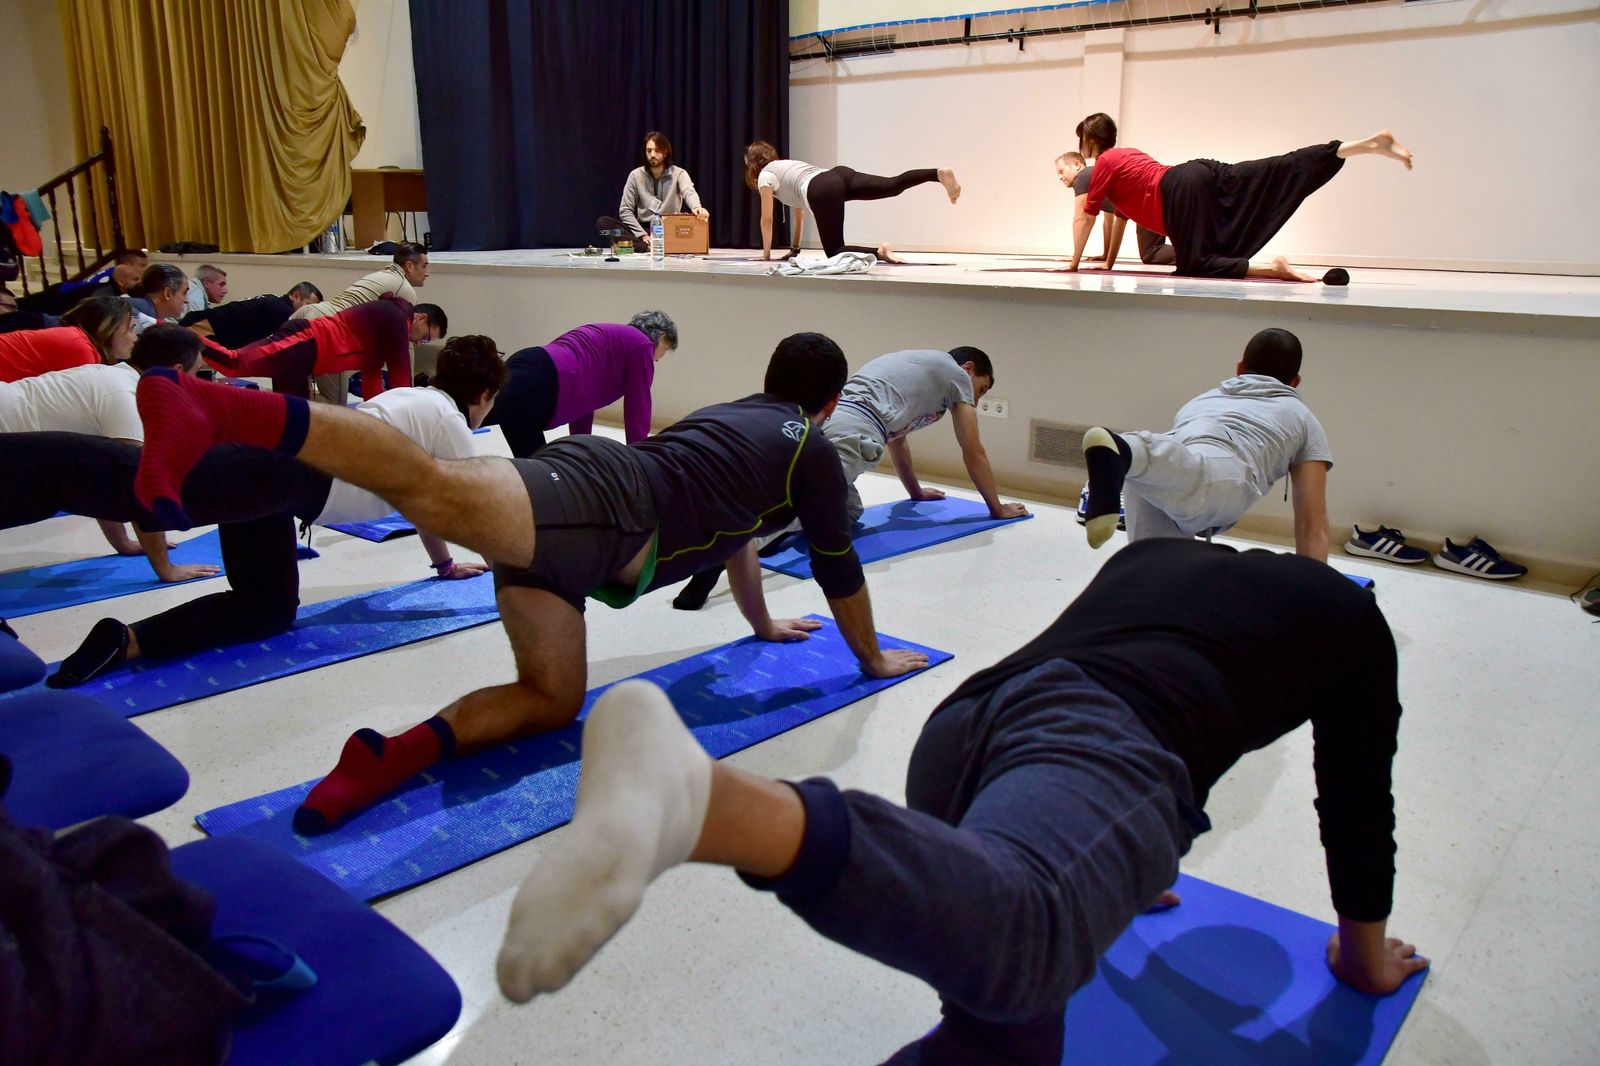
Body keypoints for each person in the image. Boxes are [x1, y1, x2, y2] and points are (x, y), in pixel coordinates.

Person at [492, 537, 1426, 1065]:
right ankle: (706, 801)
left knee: (999, 1045)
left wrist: (1125, 870)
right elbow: (1355, 800)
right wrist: (1362, 959)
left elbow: (1154, 690)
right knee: (1032, 942)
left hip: (966, 732)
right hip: (1093, 743)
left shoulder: (1161, 558)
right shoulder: (1352, 622)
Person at [128, 332, 928, 833]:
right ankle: (214, 407)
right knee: (429, 483)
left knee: (551, 699)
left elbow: (740, 534)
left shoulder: (738, 415)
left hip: (585, 537)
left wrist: (759, 626)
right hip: (603, 506)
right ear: (830, 404)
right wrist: (870, 659)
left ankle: (387, 757)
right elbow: (838, 565)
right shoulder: (810, 450)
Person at [1, 336, 507, 689]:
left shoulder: (415, 399)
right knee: (131, 482)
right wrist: (521, 584)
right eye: (491, 401)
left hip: (281, 491)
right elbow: (477, 513)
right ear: (483, 395)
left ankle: (127, 640)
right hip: (282, 470)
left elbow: (429, 503)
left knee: (267, 609)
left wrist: (444, 566)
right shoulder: (450, 421)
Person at [673, 345, 1029, 610]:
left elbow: (898, 442)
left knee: (848, 510)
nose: (976, 398)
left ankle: (762, 536)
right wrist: (996, 508)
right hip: (854, 432)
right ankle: (725, 554)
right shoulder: (954, 375)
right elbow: (973, 449)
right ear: (969, 368)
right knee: (799, 506)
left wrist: (915, 492)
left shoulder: (918, 371)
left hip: (828, 420)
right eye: (981, 389)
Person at [1079, 327, 1331, 561]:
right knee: (1196, 477)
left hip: (1155, 476)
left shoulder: (1202, 400)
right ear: (1295, 381)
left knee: (1153, 570)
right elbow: (1312, 525)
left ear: (1240, 368)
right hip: (1223, 471)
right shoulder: (1303, 418)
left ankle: (1131, 452)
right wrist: (1314, 587)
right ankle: (1128, 451)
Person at [1069, 113, 1412, 280]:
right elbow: (1122, 216)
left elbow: (1085, 216)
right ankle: (1357, 146)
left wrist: (1073, 264)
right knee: (1271, 172)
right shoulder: (1128, 154)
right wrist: (1108, 262)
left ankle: (1272, 269)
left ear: (1089, 141)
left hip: (1180, 191)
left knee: (1196, 263)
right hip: (1198, 171)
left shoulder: (1103, 165)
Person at [0, 325, 218, 573]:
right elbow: (135, 483)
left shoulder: (109, 374)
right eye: (196, 371)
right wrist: (166, 569)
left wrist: (123, 543)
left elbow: (104, 477)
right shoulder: (127, 396)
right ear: (177, 371)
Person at [483, 311, 677, 458]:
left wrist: (580, 448)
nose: (659, 358)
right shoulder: (642, 346)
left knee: (533, 469)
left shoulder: (611, 337)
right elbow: (638, 406)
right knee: (472, 411)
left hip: (533, 362)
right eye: (666, 349)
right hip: (547, 382)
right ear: (661, 337)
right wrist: (640, 459)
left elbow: (585, 397)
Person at [743, 141, 962, 262]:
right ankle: (937, 174)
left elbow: (767, 219)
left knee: (835, 251)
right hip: (838, 174)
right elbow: (798, 212)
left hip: (822, 189)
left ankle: (879, 251)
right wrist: (795, 249)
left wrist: (766, 255)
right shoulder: (785, 165)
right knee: (892, 185)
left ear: (752, 162)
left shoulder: (765, 176)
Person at [197, 293, 427, 400]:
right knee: (233, 362)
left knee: (295, 420)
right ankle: (184, 337)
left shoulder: (383, 341)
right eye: (425, 337)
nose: (418, 343)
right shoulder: (397, 317)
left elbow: (373, 387)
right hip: (304, 342)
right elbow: (402, 385)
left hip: (306, 359)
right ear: (421, 318)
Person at [292, 242, 431, 404]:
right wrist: (410, 396)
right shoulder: (404, 290)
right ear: (410, 266)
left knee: (288, 385)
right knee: (336, 405)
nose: (427, 273)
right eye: (424, 266)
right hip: (326, 327)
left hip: (306, 313)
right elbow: (404, 348)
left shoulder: (380, 275)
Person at [1055, 150, 1175, 267]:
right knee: (1152, 250)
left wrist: (1074, 262)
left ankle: (1186, 253)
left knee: (1151, 252)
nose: (1060, 177)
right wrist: (1106, 255)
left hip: (1148, 201)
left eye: (1061, 171)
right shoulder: (1096, 174)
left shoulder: (1083, 176)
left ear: (1077, 165)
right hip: (1150, 199)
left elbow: (1081, 219)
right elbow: (1109, 220)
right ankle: (1186, 251)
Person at [613, 132, 709, 252]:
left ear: (665, 152)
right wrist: (642, 235)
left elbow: (688, 191)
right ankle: (646, 245)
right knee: (604, 222)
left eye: (657, 151)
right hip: (643, 229)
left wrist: (697, 207)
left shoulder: (679, 173)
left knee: (684, 231)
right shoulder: (635, 175)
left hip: (668, 228)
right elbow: (625, 210)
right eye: (649, 151)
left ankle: (643, 246)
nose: (652, 155)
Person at [0, 297, 135, 381]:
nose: (135, 338)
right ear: (107, 328)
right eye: (130, 329)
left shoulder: (80, 342)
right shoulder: (79, 347)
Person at [180, 282, 324, 349]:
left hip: (204, 324)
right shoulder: (284, 311)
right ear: (296, 296)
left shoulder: (275, 300)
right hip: (203, 327)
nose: (310, 311)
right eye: (308, 305)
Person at [126, 263, 190, 331]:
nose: (187, 301)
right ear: (168, 294)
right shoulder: (129, 314)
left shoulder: (147, 315)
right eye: (184, 293)